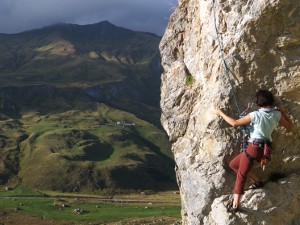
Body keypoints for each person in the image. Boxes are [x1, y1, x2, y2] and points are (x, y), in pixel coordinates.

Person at [215, 89, 293, 213]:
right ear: (271, 101)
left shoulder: (255, 115)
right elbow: (289, 127)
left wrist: (220, 113)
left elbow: (234, 123)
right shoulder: (276, 114)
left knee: (241, 175)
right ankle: (257, 181)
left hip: (254, 148)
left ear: (258, 103)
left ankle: (234, 205)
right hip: (264, 149)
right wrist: (283, 112)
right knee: (234, 164)